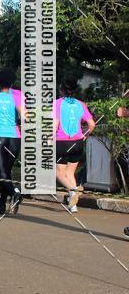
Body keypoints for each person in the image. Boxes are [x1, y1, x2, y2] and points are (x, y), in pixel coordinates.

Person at [0, 69, 26, 215]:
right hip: (15, 137)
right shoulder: (18, 95)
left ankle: (14, 193)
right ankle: (2, 203)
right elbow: (25, 117)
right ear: (12, 83)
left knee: (0, 171)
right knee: (6, 172)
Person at [55, 78, 95, 213]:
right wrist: (85, 135)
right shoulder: (81, 104)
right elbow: (91, 125)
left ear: (61, 90)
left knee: (60, 175)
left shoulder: (57, 104)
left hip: (61, 143)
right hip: (77, 143)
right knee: (70, 173)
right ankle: (73, 206)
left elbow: (54, 125)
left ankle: (74, 190)